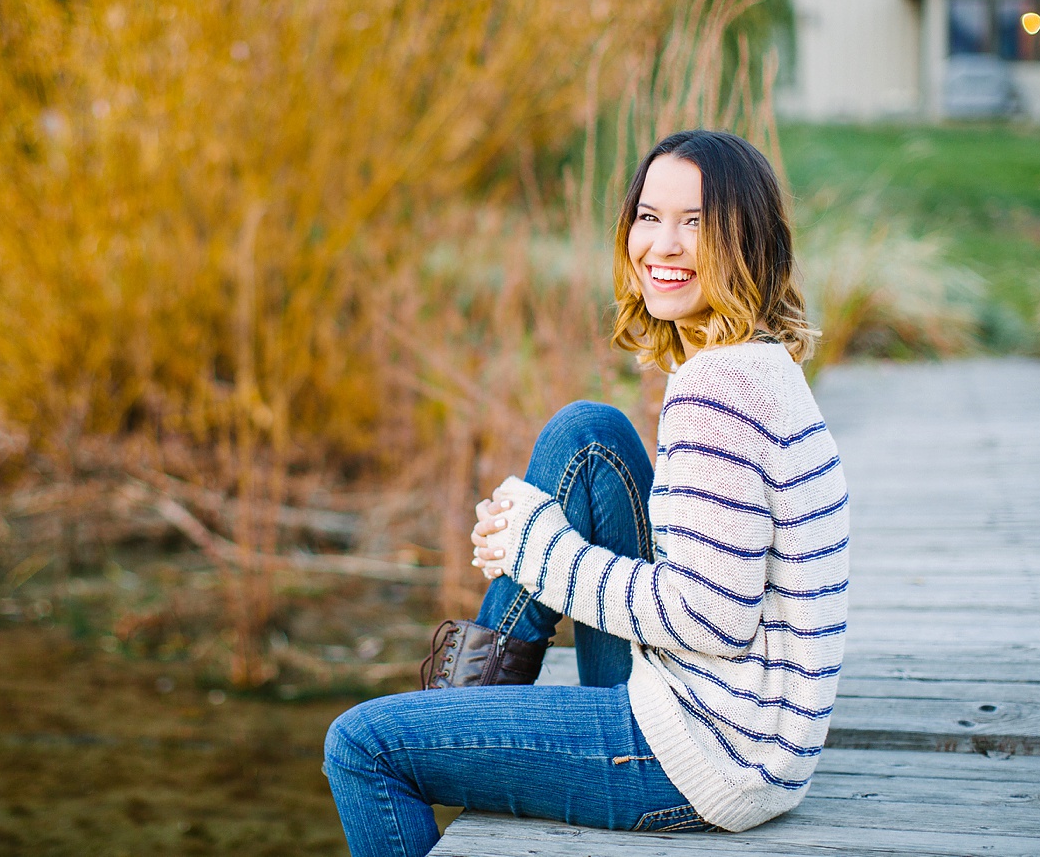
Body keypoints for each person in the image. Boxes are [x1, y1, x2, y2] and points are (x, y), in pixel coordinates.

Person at [323, 129, 849, 856]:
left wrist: (539, 551)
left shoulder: (715, 391)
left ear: (745, 240)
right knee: (588, 437)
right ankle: (461, 716)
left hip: (701, 757)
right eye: (648, 215)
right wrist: (533, 544)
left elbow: (714, 616)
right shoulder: (759, 366)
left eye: (695, 222)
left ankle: (450, 724)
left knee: (362, 747)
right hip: (747, 734)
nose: (661, 244)